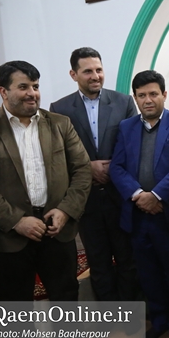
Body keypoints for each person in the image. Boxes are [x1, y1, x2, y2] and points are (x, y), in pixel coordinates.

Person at [0, 61, 94, 338]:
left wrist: (65, 210)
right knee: (14, 299)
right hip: (10, 232)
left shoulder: (60, 124)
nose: (32, 93)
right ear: (3, 91)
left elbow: (82, 170)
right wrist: (17, 221)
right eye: (23, 87)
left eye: (36, 86)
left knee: (65, 290)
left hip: (56, 226)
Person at [109, 70, 169, 338]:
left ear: (164, 95)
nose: (148, 100)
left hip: (168, 214)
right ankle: (159, 321)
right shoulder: (126, 127)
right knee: (148, 274)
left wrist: (156, 196)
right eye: (142, 95)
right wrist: (139, 196)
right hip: (138, 216)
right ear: (135, 98)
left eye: (153, 94)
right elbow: (117, 167)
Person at [50, 47, 138, 303]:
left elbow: (133, 143)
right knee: (98, 262)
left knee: (128, 259)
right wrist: (88, 167)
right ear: (73, 74)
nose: (95, 76)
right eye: (87, 71)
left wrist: (113, 167)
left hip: (119, 195)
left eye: (99, 70)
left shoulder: (123, 102)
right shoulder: (60, 108)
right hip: (85, 200)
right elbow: (57, 154)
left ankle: (129, 315)